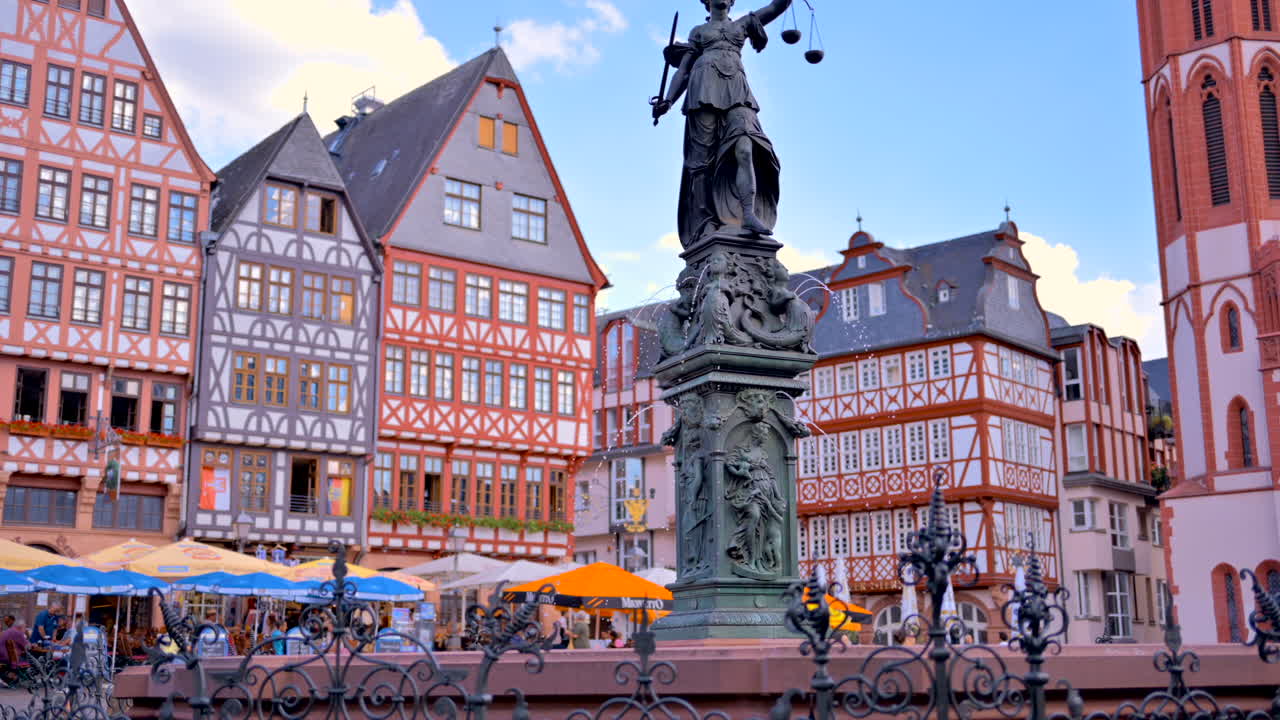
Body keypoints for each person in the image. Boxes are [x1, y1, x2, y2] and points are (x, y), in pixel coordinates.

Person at [651, 0, 794, 247]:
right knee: (702, 162)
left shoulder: (744, 23)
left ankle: (748, 213)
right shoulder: (698, 32)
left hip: (736, 90)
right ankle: (705, 221)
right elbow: (683, 72)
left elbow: (777, 6)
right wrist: (668, 101)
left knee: (746, 146)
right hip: (703, 89)